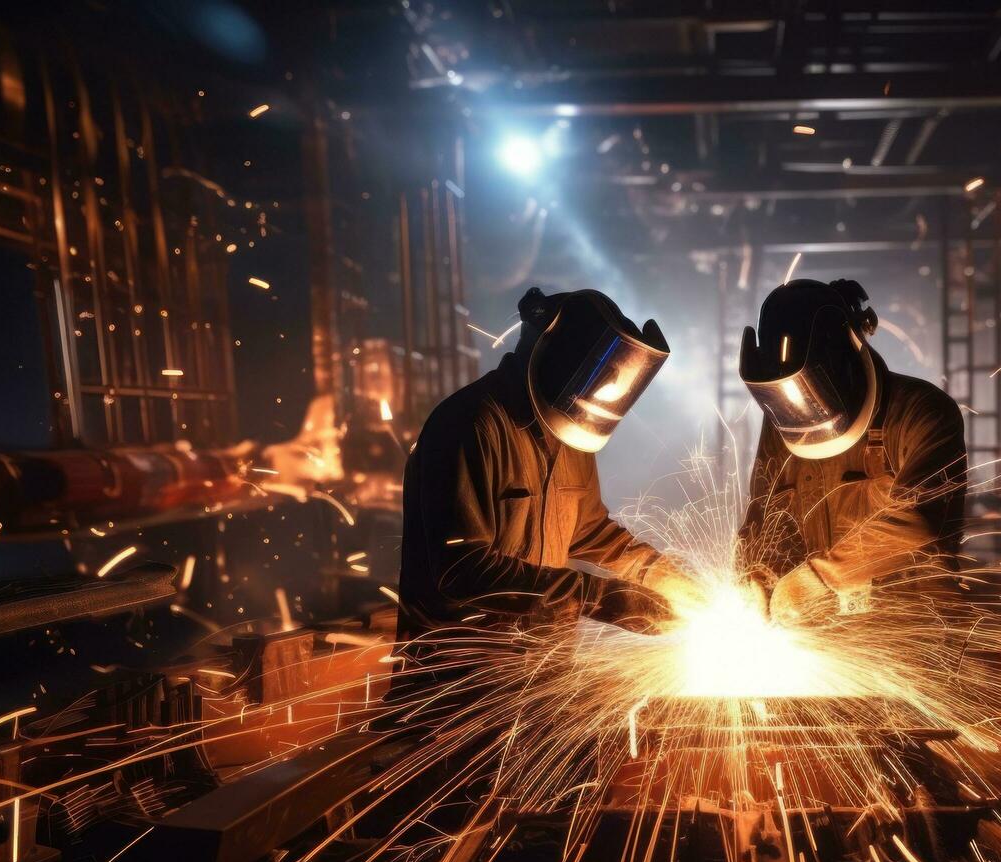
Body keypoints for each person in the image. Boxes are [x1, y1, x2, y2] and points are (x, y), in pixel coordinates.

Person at [393, 287, 702, 715]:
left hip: (539, 684)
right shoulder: (470, 424)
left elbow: (590, 531)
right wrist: (596, 597)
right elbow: (462, 569)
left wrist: (657, 572)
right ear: (553, 361)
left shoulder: (570, 429)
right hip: (457, 694)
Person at [736, 278, 966, 625]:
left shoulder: (921, 412)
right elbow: (762, 519)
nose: (802, 411)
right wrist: (754, 574)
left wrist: (822, 577)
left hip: (914, 638)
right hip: (822, 645)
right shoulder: (782, 422)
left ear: (846, 358)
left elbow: (918, 518)